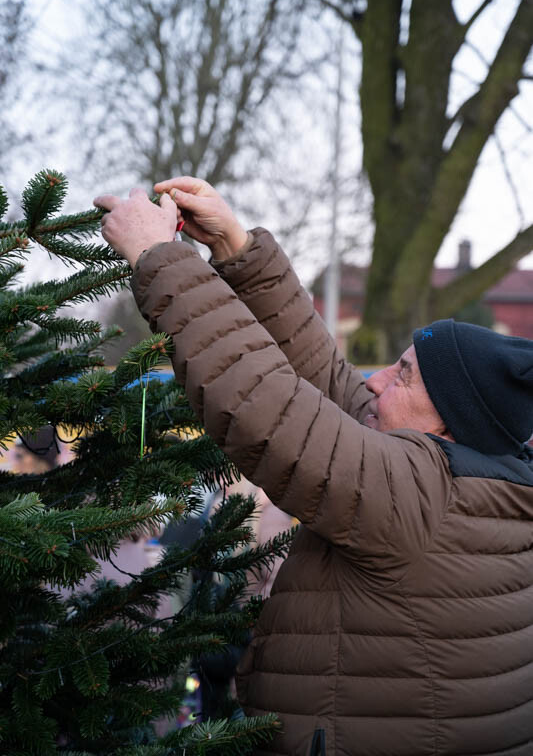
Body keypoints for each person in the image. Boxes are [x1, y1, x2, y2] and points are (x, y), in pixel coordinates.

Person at [94, 179, 533, 756]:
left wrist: (160, 259)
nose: (375, 379)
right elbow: (327, 381)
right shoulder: (477, 474)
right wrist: (236, 249)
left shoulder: (422, 494)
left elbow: (271, 409)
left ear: (450, 422)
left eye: (402, 375)